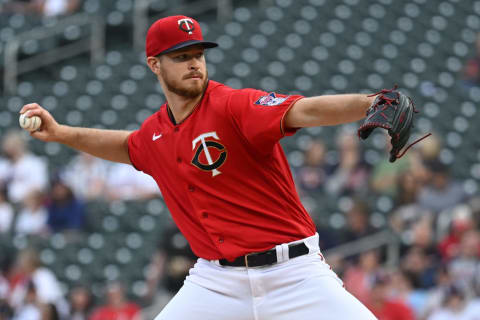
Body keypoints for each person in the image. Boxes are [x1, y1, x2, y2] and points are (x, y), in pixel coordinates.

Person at [20, 15, 382, 319]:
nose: (194, 62)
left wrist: (370, 103)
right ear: (154, 64)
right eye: (181, 56)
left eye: (198, 54)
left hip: (294, 273)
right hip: (217, 282)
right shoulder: (157, 133)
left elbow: (304, 110)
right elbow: (126, 146)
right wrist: (61, 132)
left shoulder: (234, 106)